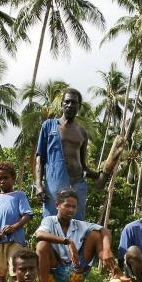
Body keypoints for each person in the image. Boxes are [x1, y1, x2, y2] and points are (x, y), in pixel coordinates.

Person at [34, 88, 99, 220]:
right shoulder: (49, 126)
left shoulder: (82, 132)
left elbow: (83, 164)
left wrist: (98, 174)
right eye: (67, 102)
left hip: (78, 183)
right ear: (62, 104)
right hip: (55, 181)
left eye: (74, 102)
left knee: (77, 222)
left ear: (79, 106)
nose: (70, 105)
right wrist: (39, 185)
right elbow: (40, 158)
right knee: (52, 220)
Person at [35, 189, 120, 282]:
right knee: (42, 245)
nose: (71, 209)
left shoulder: (79, 224)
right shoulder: (49, 221)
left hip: (76, 272)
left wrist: (107, 250)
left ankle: (116, 272)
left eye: (74, 207)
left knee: (96, 235)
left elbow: (105, 230)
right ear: (57, 205)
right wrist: (68, 242)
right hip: (53, 273)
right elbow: (39, 234)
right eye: (67, 206)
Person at [0, 161, 33, 282]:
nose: (2, 181)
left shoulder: (19, 195)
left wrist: (14, 227)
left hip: (15, 240)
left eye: (6, 178)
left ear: (13, 178)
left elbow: (27, 215)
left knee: (16, 271)